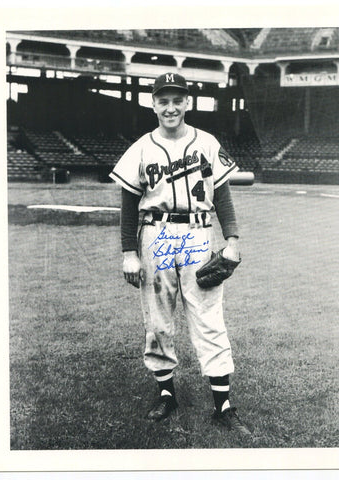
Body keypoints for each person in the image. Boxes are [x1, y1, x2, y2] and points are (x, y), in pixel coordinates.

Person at [109, 72, 252, 439]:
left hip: (198, 234)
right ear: (154, 104)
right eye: (163, 100)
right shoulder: (141, 148)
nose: (170, 107)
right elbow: (128, 205)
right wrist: (129, 252)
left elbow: (222, 196)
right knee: (157, 320)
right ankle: (167, 394)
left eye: (177, 99)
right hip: (155, 234)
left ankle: (223, 405)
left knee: (208, 315)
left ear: (187, 102)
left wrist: (232, 239)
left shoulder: (206, 143)